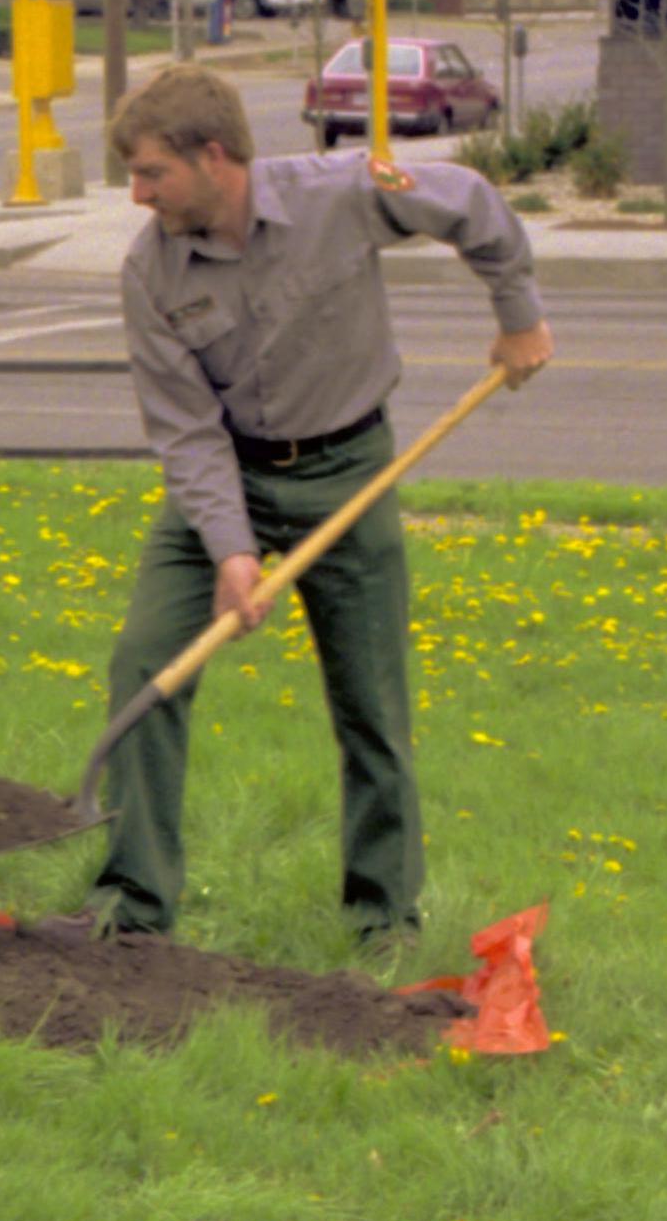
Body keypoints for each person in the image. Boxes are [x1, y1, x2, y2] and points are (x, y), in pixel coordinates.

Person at [94, 65, 552, 947]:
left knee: (372, 704)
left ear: (213, 156)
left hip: (349, 469)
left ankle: (385, 914)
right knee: (147, 667)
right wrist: (231, 549)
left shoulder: (339, 194)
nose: (137, 193)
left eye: (151, 172)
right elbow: (186, 430)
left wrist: (518, 311)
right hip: (225, 479)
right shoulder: (150, 271)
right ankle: (135, 907)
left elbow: (472, 203)